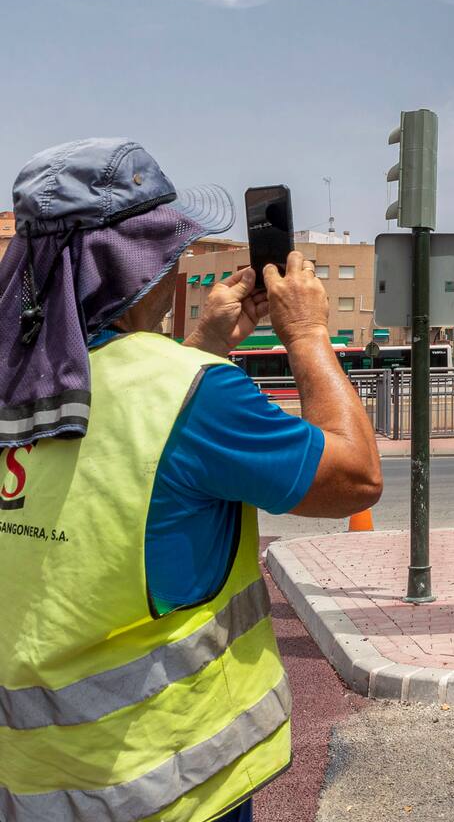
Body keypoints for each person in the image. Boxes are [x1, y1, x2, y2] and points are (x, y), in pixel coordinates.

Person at [0, 138, 383, 822]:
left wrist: (200, 346)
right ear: (137, 268)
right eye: (168, 251)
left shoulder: (17, 381)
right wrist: (306, 336)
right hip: (164, 786)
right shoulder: (192, 395)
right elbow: (354, 478)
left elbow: (120, 461)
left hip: (28, 786)